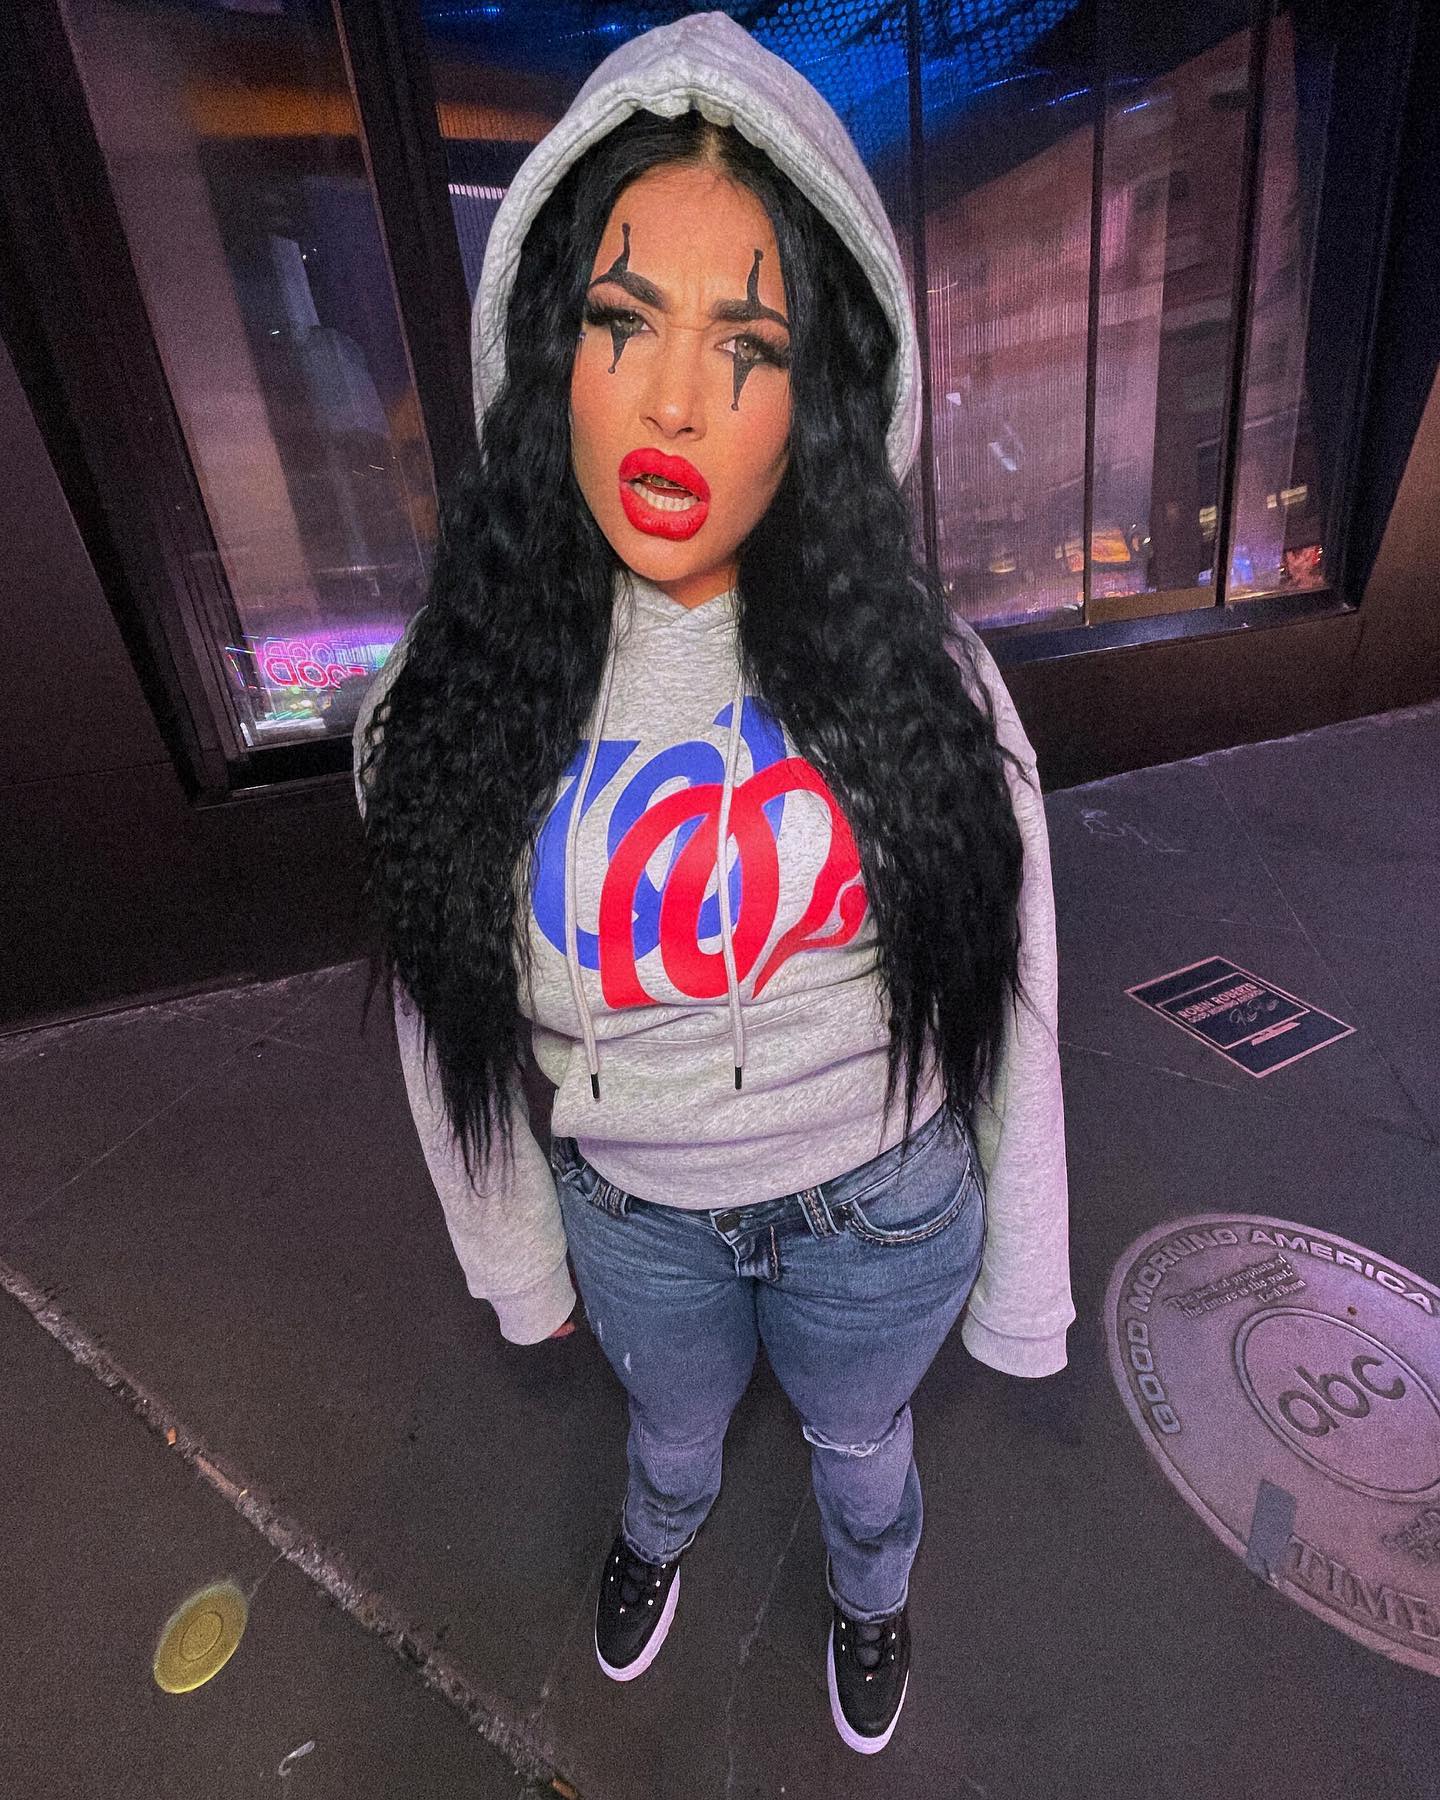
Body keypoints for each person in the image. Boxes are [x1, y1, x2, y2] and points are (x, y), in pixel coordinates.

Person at [353, 11, 1073, 1757]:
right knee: (668, 1435)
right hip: (637, 1217)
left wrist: (1027, 1280)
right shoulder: (443, 711)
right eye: (624, 323)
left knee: (860, 1444)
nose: (673, 400)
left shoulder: (929, 685)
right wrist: (518, 1255)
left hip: (882, 1211)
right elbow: (447, 1027)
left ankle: (872, 1594)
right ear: (552, 351)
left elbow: (1019, 997)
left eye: (745, 345)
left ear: (820, 399)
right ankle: (656, 1536)